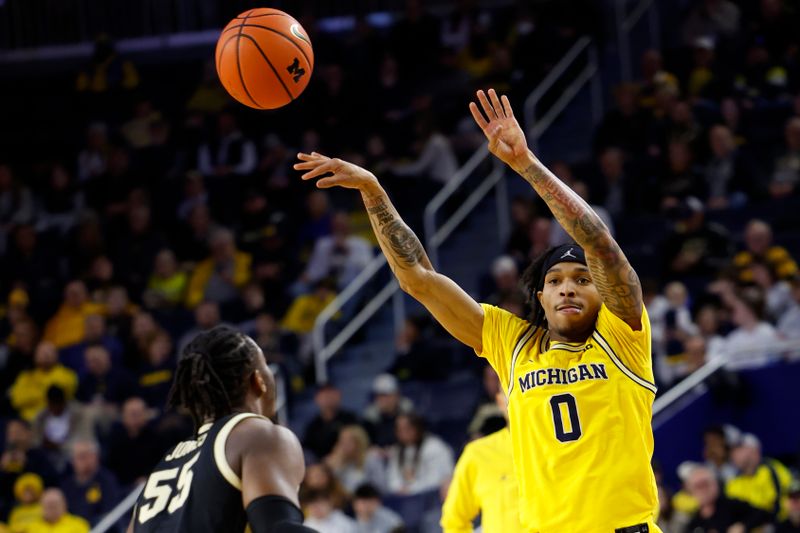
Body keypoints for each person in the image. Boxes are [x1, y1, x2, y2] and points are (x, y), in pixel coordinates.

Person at [295, 88, 662, 531]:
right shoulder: (514, 342)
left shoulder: (622, 334)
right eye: (555, 282)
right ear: (540, 299)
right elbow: (419, 280)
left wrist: (526, 165)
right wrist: (373, 191)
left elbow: (598, 241)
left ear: (604, 292)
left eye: (582, 280)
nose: (567, 289)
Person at [129, 326, 316, 532]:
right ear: (258, 380)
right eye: (266, 368)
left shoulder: (166, 465)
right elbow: (278, 527)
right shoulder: (258, 435)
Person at [441, 391, 521, 533]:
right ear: (500, 401)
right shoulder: (477, 454)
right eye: (511, 392)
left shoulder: (561, 446)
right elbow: (454, 521)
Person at [684, 465, 772, 532]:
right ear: (690, 491)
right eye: (698, 486)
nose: (703, 490)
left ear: (715, 484)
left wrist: (742, 526)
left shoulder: (732, 505)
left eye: (706, 484)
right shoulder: (694, 523)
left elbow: (764, 514)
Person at [726, 433, 792, 518]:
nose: (732, 454)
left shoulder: (773, 470)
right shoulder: (732, 482)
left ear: (754, 450)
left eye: (738, 449)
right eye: (732, 451)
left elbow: (788, 500)